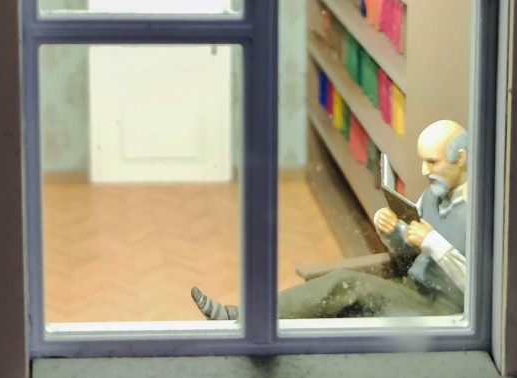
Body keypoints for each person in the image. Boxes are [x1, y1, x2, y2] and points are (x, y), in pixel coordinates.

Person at [190, 118, 470, 322]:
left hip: (443, 315)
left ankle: (244, 320)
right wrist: (391, 230)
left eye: (432, 162)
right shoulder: (433, 195)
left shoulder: (477, 212)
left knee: (343, 285)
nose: (424, 171)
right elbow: (410, 249)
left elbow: (478, 288)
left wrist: (431, 241)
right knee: (334, 305)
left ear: (460, 158)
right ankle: (251, 322)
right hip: (412, 292)